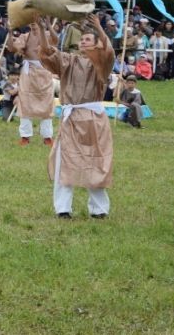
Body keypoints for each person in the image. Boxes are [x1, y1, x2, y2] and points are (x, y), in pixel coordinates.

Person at [33, 14, 114, 219]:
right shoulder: (69, 60)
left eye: (88, 39)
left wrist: (99, 27)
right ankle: (63, 209)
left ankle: (99, 210)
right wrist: (43, 29)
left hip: (94, 119)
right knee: (64, 162)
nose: (83, 42)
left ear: (96, 45)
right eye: (82, 39)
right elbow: (47, 52)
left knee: (95, 162)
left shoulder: (101, 64)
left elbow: (108, 52)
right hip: (71, 118)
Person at [6, 23, 56, 147]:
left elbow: (56, 41)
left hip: (44, 70)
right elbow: (12, 49)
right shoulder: (25, 36)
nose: (34, 23)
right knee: (25, 103)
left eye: (36, 20)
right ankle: (25, 136)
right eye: (31, 20)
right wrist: (10, 32)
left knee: (47, 104)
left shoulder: (48, 34)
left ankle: (47, 136)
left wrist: (48, 25)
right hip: (29, 72)